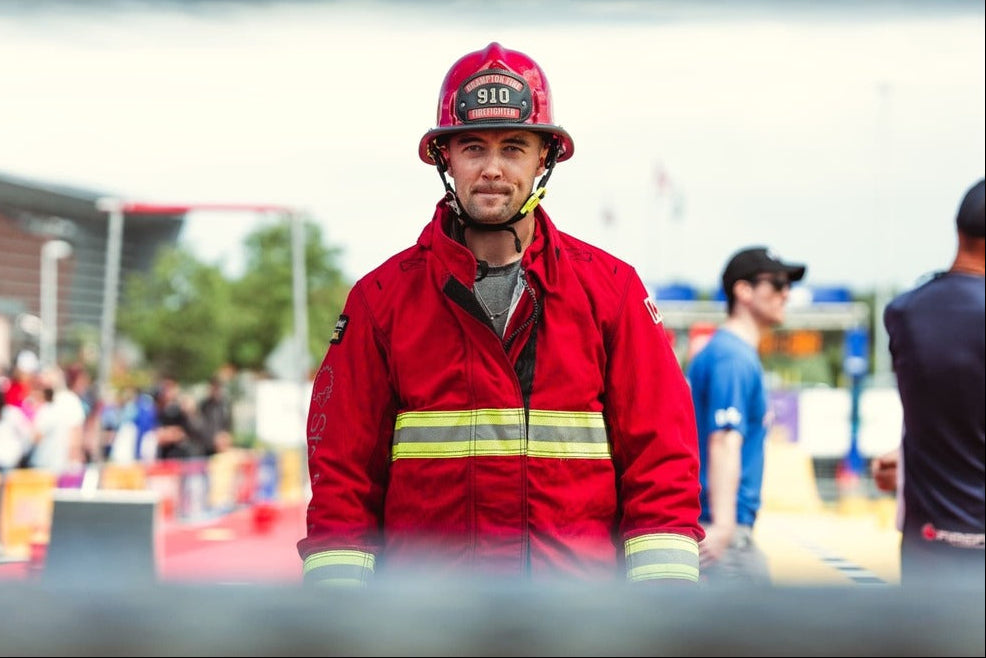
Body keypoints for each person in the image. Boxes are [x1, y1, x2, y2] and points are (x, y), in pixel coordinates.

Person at [297, 42, 704, 587]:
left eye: (513, 147)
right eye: (472, 147)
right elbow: (342, 476)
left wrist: (664, 604)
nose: (492, 169)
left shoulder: (611, 292)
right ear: (446, 157)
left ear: (544, 159)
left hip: (576, 621)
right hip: (429, 621)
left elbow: (662, 462)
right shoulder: (381, 300)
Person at [874, 177, 985, 588]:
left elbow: (950, 415)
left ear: (958, 232)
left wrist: (909, 462)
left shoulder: (904, 312)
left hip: (927, 546)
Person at [686, 246, 806, 586]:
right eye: (778, 284)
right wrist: (724, 525)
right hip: (723, 531)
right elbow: (724, 439)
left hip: (717, 524)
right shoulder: (733, 358)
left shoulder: (726, 353)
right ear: (744, 290)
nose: (787, 293)